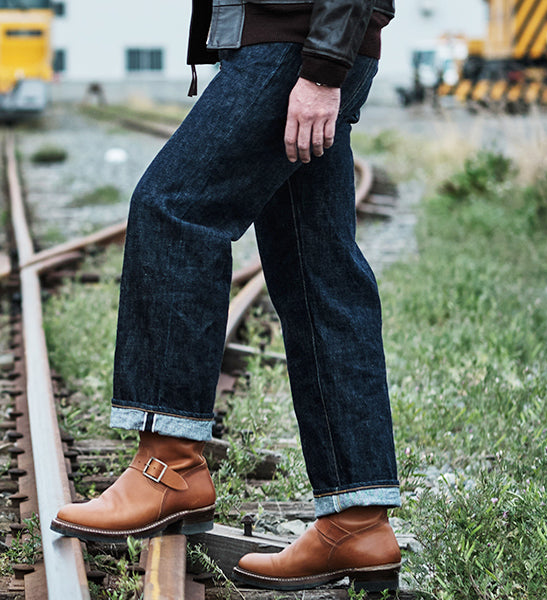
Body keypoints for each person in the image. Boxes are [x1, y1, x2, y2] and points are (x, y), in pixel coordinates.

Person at [51, 0, 402, 590]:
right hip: (304, 43)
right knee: (318, 273)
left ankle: (168, 465)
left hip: (294, 44)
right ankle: (357, 521)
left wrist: (321, 70)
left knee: (173, 211)